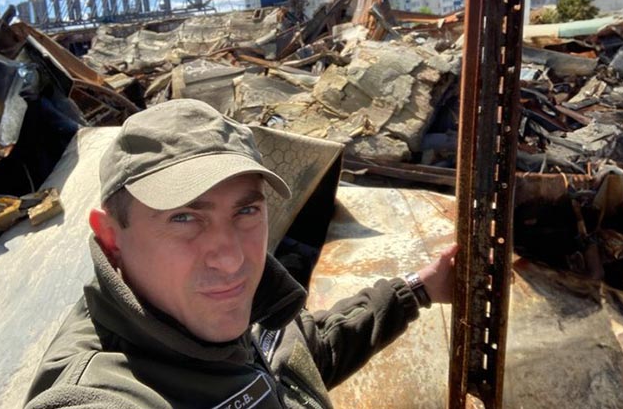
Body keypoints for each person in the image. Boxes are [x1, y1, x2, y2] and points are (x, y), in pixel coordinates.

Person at [24, 99, 457, 409]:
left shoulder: (244, 317)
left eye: (246, 210)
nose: (231, 259)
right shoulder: (110, 389)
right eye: (184, 218)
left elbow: (302, 355)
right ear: (111, 238)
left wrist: (419, 288)